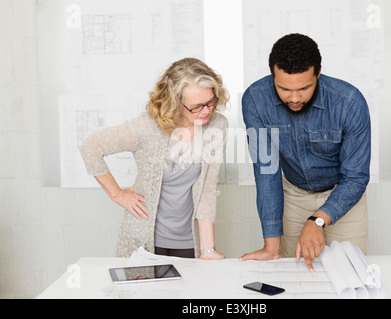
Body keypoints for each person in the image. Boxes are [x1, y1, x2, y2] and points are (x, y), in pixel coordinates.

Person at [239, 34, 371, 271]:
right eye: (284, 89)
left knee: (351, 276)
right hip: (293, 196)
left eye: (304, 88)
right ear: (273, 77)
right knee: (297, 276)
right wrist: (271, 245)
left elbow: (356, 177)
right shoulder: (255, 100)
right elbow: (266, 170)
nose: (295, 98)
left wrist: (318, 219)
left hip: (344, 195)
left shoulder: (350, 102)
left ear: (318, 73)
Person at [80, 58, 229, 260]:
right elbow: (91, 147)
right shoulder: (147, 127)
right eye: (196, 106)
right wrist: (117, 194)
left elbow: (207, 189)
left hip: (188, 241)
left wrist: (207, 250)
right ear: (176, 103)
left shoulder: (217, 125)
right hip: (144, 240)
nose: (206, 111)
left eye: (210, 102)